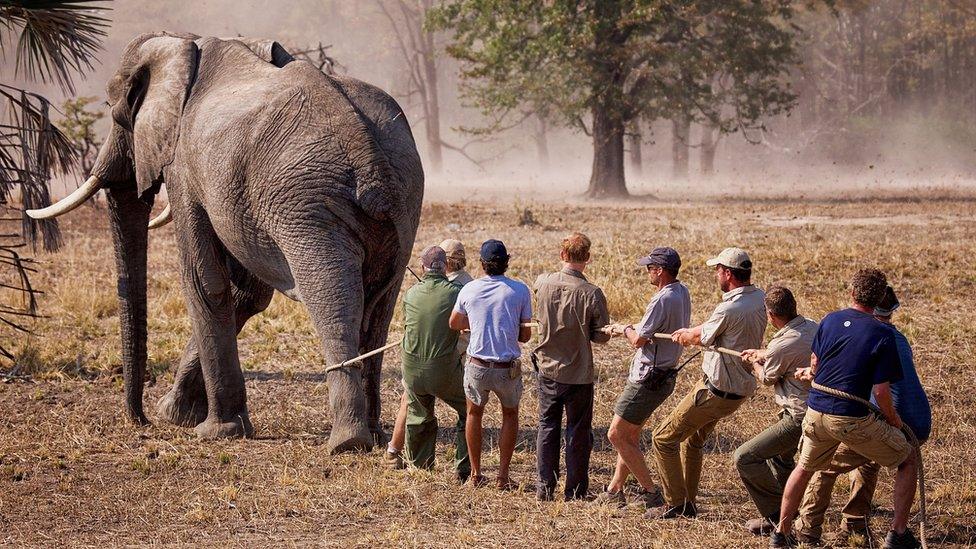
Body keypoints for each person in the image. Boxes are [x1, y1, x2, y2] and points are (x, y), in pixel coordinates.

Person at [771, 269, 917, 549]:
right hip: (850, 419)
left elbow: (815, 364)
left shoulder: (830, 320)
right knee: (908, 458)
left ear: (851, 293)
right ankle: (898, 534)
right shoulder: (883, 334)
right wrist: (893, 420)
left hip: (814, 412)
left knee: (802, 468)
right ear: (878, 301)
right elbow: (881, 391)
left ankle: (782, 533)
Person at [649, 247, 767, 519]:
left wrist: (688, 336)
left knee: (663, 439)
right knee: (692, 441)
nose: (716, 274)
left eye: (718, 270)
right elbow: (715, 328)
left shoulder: (728, 307)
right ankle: (687, 502)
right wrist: (693, 330)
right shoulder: (758, 297)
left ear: (727, 273)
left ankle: (675, 503)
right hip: (738, 391)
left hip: (715, 391)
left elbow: (702, 337)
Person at [596, 247, 691, 509]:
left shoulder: (661, 299)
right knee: (630, 435)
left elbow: (639, 340)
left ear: (660, 271)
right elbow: (653, 328)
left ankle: (650, 492)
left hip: (647, 378)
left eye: (650, 268)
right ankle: (615, 489)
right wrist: (628, 328)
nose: (647, 271)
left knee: (616, 434)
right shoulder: (681, 292)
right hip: (664, 375)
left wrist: (625, 329)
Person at [531, 233, 611, 501]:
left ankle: (545, 487)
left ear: (562, 255)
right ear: (587, 259)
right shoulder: (592, 293)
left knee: (547, 427)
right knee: (578, 432)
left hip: (547, 370)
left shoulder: (542, 283)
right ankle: (575, 491)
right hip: (578, 373)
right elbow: (601, 336)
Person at [735, 286, 818, 536]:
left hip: (797, 416)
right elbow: (787, 353)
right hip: (814, 410)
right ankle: (788, 511)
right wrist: (764, 353)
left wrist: (753, 364)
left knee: (745, 457)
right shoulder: (812, 326)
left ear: (770, 315)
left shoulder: (780, 344)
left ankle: (776, 518)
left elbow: (768, 378)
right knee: (780, 458)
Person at [449, 239, 532, 488]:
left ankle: (475, 474)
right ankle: (503, 476)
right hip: (507, 367)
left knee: (474, 413)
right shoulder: (519, 290)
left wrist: (473, 324)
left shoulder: (469, 289)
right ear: (507, 262)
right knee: (510, 415)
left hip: (477, 365)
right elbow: (525, 336)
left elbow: (454, 323)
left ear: (482, 264)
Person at [385, 239, 473, 469]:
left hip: (412, 367)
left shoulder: (411, 294)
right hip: (444, 368)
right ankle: (464, 468)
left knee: (418, 411)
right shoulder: (460, 291)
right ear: (444, 267)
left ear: (423, 268)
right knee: (470, 408)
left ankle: (418, 464)